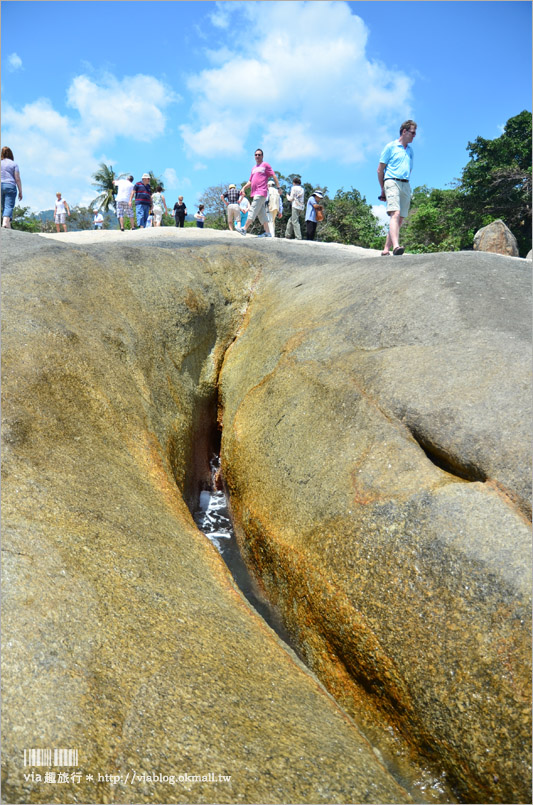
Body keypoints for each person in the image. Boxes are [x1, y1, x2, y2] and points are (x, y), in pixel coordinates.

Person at [377, 120, 417, 256]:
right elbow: (380, 170)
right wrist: (383, 189)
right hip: (391, 181)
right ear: (404, 132)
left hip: (405, 183)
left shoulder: (410, 151)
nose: (414, 135)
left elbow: (409, 169)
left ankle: (386, 248)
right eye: (412, 132)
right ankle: (396, 246)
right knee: (395, 213)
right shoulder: (390, 147)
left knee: (400, 219)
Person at [238, 148, 280, 237]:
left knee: (252, 209)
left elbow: (273, 175)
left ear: (262, 156)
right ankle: (268, 233)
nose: (257, 156)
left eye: (259, 155)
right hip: (255, 193)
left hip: (261, 192)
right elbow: (250, 181)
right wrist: (243, 188)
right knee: (262, 214)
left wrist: (278, 187)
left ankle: (244, 229)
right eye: (256, 155)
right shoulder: (253, 168)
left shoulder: (265, 165)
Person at [1, 146, 23, 228]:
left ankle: (8, 226)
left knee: (4, 206)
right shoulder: (14, 164)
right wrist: (20, 191)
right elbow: (17, 178)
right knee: (8, 206)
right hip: (10, 185)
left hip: (1, 185)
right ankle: (4, 224)